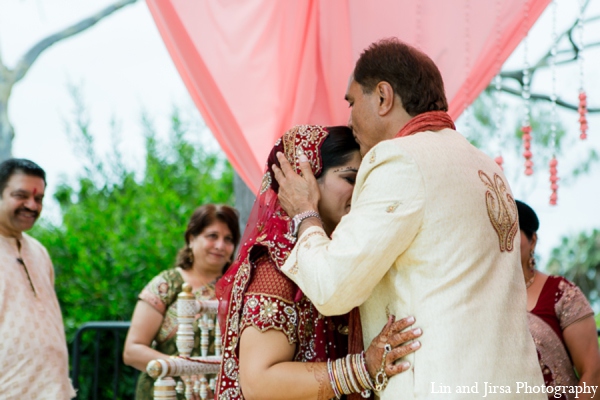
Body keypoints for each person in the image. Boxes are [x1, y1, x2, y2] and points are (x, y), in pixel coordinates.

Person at [272, 38, 545, 399]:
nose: (349, 119)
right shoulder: (484, 164)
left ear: (383, 97)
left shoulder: (399, 159)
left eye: (353, 102)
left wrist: (306, 215)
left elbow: (333, 288)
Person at [215, 125, 422, 400]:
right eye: (350, 179)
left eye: (366, 183)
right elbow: (259, 381)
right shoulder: (277, 264)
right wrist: (363, 368)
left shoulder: (343, 253)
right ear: (303, 179)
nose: (361, 193)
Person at [123, 204, 241, 399]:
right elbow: (132, 351)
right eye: (212, 236)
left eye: (228, 239)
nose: (220, 245)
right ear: (191, 238)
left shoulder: (238, 289)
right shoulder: (167, 283)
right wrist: (183, 368)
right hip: (165, 392)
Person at [0, 158, 75, 399]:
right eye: (21, 196)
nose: (32, 205)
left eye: (39, 199)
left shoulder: (39, 252)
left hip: (52, 389)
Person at [517, 200, 600, 400]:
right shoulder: (479, 298)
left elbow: (593, 373)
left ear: (533, 240)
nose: (504, 239)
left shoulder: (561, 293)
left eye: (512, 230)